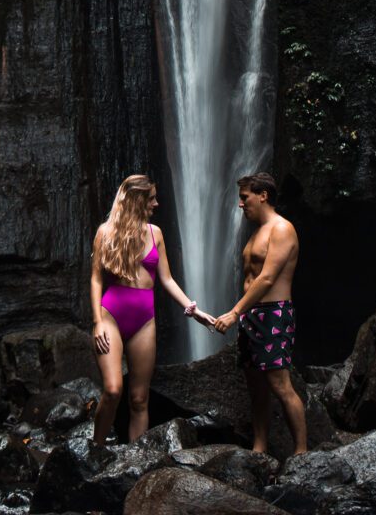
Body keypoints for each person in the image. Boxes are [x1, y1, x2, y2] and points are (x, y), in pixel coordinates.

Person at [90, 174, 215, 443]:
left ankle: (137, 461)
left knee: (139, 398)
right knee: (113, 390)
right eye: (152, 198)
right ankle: (95, 449)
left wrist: (194, 310)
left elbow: (167, 279)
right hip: (110, 315)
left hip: (144, 320)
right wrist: (97, 321)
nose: (157, 204)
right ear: (136, 200)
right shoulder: (105, 232)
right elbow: (96, 279)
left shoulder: (154, 233)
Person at [215, 172, 307, 455]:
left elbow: (266, 279)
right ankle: (259, 449)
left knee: (280, 385)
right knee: (255, 387)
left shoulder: (282, 229)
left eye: (245, 198)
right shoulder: (258, 231)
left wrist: (233, 312)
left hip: (273, 313)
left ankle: (302, 452)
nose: (241, 205)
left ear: (263, 195)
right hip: (251, 314)